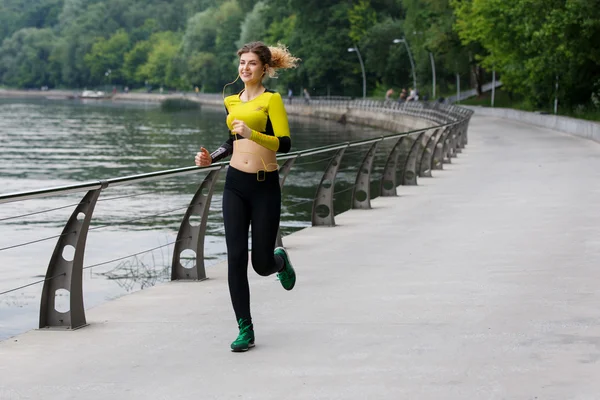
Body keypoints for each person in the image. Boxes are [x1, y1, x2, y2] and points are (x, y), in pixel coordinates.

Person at [194, 41, 299, 352]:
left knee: (260, 263)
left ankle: (279, 262)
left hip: (265, 186)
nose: (245, 68)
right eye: (242, 63)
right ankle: (245, 328)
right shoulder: (231, 101)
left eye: (252, 63)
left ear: (264, 68)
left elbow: (285, 143)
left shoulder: (272, 100)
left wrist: (253, 134)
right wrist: (211, 157)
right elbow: (231, 141)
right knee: (236, 258)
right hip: (235, 185)